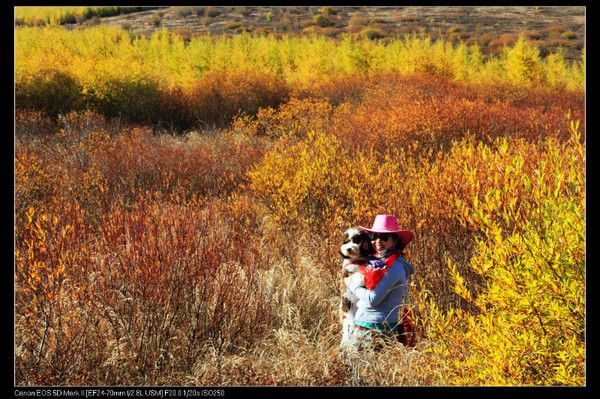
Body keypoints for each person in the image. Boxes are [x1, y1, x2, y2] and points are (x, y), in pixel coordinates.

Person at [341, 214, 415, 352]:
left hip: (376, 332)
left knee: (362, 372)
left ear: (395, 240)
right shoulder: (377, 264)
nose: (377, 241)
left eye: (384, 237)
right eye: (374, 236)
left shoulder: (394, 267)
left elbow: (372, 299)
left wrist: (351, 283)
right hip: (365, 328)